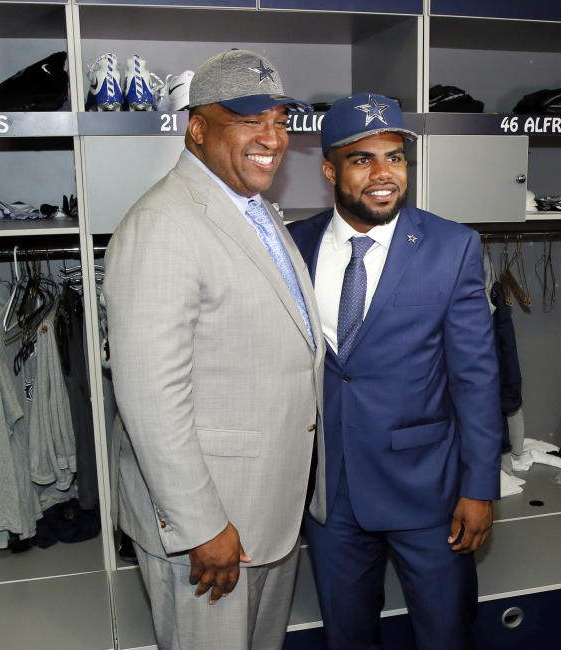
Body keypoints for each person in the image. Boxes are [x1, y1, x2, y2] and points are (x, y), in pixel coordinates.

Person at [104, 49, 325, 650]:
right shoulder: (163, 226)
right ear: (197, 128)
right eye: (250, 120)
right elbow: (151, 399)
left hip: (267, 509)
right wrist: (203, 528)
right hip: (211, 527)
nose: (272, 138)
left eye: (280, 121)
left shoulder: (254, 210)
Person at [287, 92, 502, 649]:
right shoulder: (293, 245)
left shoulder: (452, 247)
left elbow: (476, 377)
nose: (384, 174)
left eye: (396, 157)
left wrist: (480, 488)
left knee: (446, 634)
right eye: (363, 160)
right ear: (330, 169)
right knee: (347, 636)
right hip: (330, 495)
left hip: (428, 493)